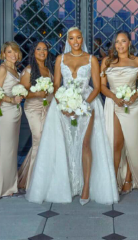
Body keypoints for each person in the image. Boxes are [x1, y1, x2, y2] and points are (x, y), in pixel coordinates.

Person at [26, 27, 118, 205]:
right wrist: (63, 105)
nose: (75, 41)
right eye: (71, 38)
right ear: (67, 41)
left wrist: (83, 104)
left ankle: (85, 188)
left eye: (78, 38)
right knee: (67, 145)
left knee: (85, 144)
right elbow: (57, 84)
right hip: (64, 106)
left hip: (87, 104)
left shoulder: (91, 59)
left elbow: (98, 87)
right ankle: (69, 185)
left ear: (82, 39)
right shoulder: (61, 59)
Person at [100, 30, 138, 194]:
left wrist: (134, 97)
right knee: (116, 144)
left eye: (124, 41)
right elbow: (102, 86)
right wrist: (114, 97)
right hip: (114, 104)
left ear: (129, 43)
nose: (120, 45)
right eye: (117, 42)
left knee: (132, 144)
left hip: (134, 107)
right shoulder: (107, 62)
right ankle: (112, 180)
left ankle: (128, 178)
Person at [18, 41, 54, 190]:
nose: (42, 52)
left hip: (49, 108)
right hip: (33, 108)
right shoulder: (29, 70)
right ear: (33, 52)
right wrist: (37, 93)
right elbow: (22, 92)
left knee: (46, 142)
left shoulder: (48, 69)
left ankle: (43, 177)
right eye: (39, 49)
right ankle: (33, 182)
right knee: (39, 139)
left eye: (45, 49)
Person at [0, 42, 23, 199]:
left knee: (12, 149)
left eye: (15, 52)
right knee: (5, 149)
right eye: (9, 52)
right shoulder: (2, 69)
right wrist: (11, 100)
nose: (13, 54)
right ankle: (3, 187)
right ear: (3, 54)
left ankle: (11, 184)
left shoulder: (15, 70)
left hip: (15, 112)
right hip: (4, 111)